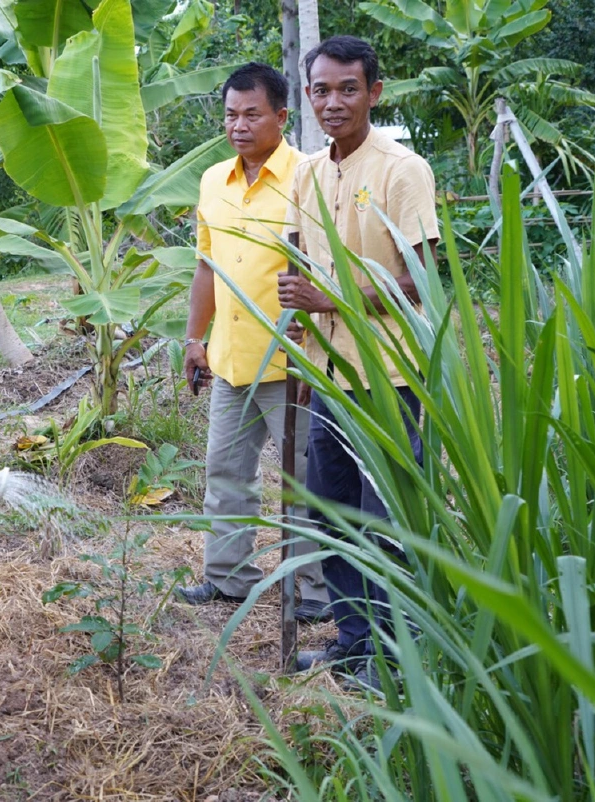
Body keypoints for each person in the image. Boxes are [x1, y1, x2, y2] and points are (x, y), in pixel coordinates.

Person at [278, 35, 439, 689]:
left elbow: (421, 279)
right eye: (321, 90)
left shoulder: (403, 170)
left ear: (374, 92)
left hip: (388, 376)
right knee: (331, 512)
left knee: (386, 520)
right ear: (308, 96)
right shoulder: (309, 173)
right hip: (329, 374)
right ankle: (355, 641)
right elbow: (298, 264)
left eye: (348, 89)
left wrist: (331, 298)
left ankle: (396, 655)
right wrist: (298, 339)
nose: (334, 102)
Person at [176, 64, 331, 621]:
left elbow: (327, 270)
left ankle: (316, 592)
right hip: (231, 358)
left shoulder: (309, 177)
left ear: (281, 117)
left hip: (291, 361)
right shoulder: (213, 180)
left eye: (251, 115)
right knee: (225, 471)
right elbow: (207, 266)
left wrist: (317, 348)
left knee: (304, 480)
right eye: (230, 115)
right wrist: (194, 338)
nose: (238, 126)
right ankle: (228, 578)